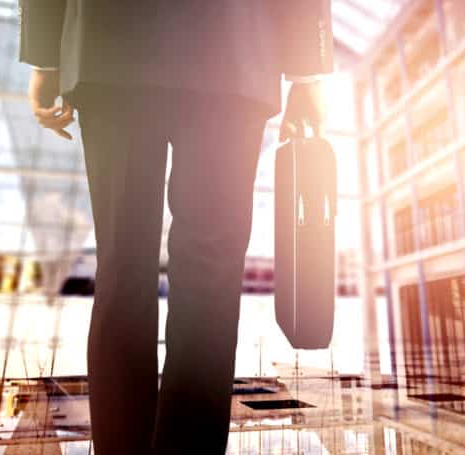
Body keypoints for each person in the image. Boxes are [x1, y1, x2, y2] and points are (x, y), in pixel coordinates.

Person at [17, 1, 333, 454]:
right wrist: (307, 67)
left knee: (122, 270)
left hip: (110, 45)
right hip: (233, 45)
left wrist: (47, 51)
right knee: (209, 280)